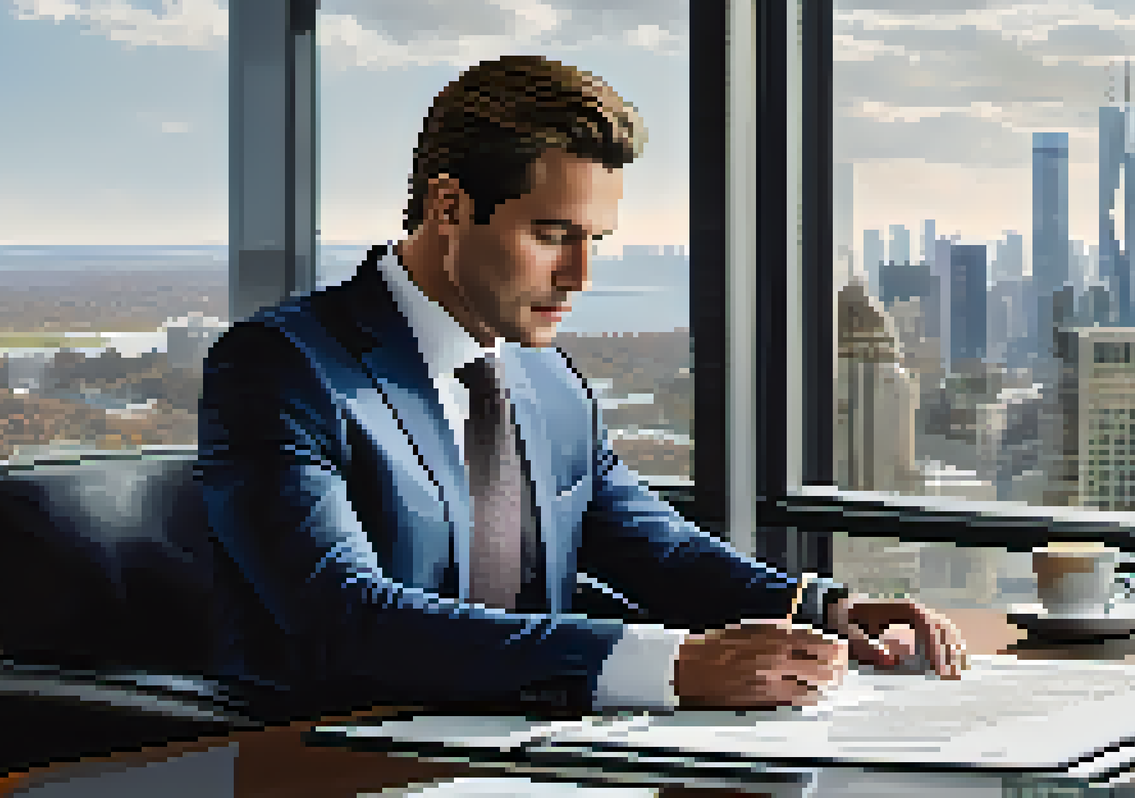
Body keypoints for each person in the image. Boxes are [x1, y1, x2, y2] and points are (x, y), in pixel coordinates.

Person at [198, 55, 967, 718]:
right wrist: (670, 668)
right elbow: (343, 616)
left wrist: (823, 608)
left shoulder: (547, 379)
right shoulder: (284, 367)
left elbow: (654, 547)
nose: (580, 276)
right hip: (337, 754)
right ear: (449, 206)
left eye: (594, 240)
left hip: (540, 751)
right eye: (552, 236)